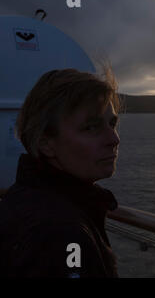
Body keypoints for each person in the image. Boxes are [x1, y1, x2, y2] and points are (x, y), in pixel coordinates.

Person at [0, 67, 121, 277]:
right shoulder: (61, 233)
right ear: (46, 143)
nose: (114, 139)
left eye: (112, 123)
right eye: (91, 127)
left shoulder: (23, 197)